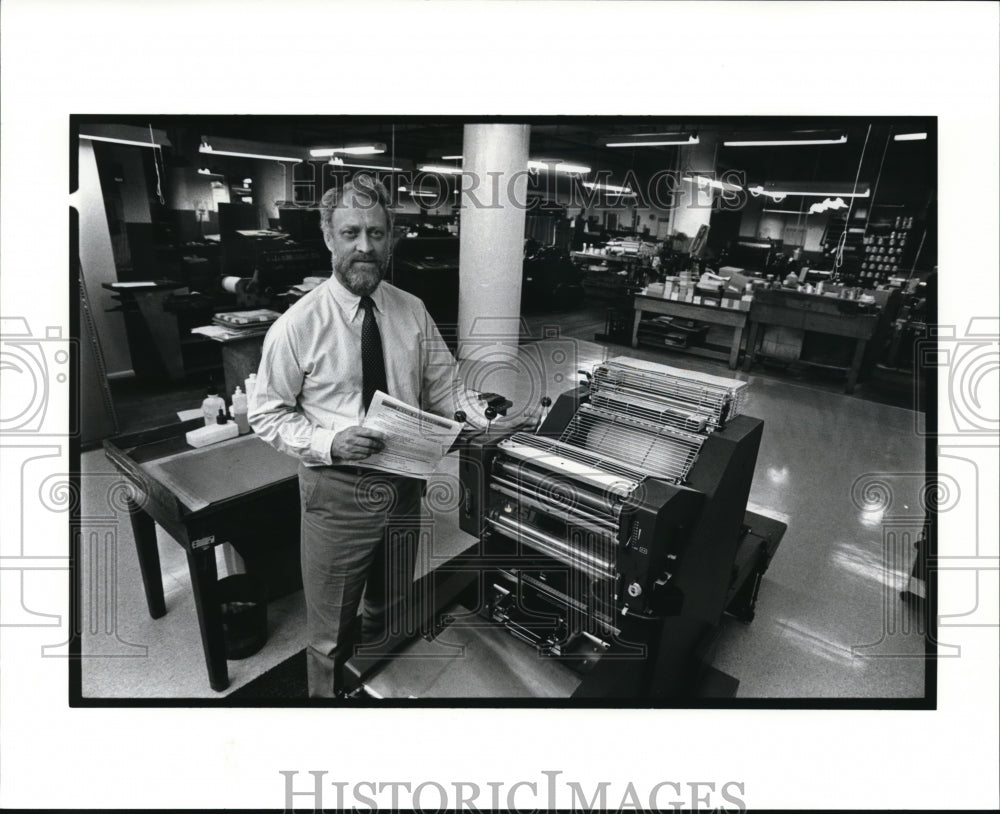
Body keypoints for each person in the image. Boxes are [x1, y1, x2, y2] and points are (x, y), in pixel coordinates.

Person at [248, 175, 473, 698]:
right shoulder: (297, 326)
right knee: (331, 634)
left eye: (376, 233)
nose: (364, 247)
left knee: (389, 610)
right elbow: (267, 413)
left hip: (404, 485)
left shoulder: (411, 310)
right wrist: (330, 443)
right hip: (337, 494)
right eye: (351, 233)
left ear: (391, 237)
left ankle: (377, 696)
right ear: (329, 237)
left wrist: (478, 420)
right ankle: (327, 711)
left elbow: (447, 387)